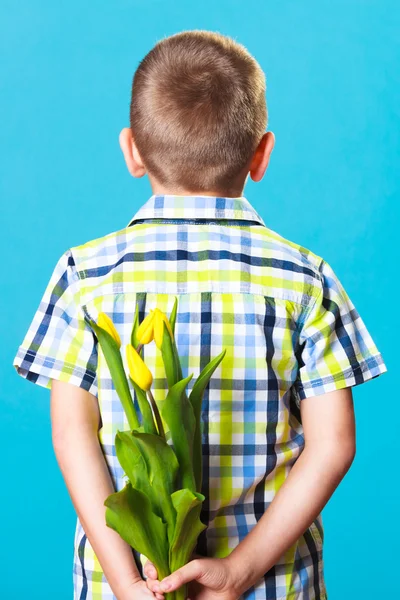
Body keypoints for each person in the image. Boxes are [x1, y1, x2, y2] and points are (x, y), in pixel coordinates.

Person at [13, 30, 388, 600]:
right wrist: (239, 571)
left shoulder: (83, 276)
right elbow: (333, 444)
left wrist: (126, 582)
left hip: (129, 588)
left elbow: (72, 435)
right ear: (262, 154)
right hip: (272, 585)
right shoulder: (306, 281)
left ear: (131, 150)